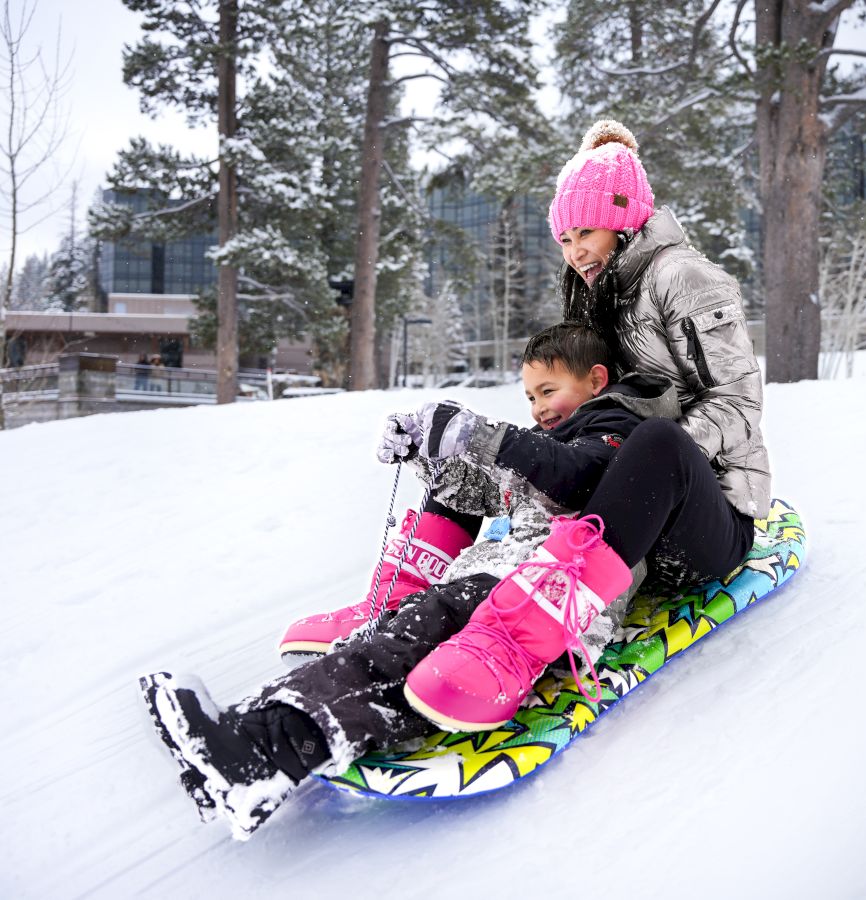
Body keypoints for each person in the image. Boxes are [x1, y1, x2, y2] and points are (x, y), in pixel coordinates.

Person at [141, 322, 680, 839]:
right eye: (530, 397)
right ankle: (246, 747)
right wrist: (430, 455)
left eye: (549, 389)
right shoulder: (552, 443)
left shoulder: (618, 436)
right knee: (392, 643)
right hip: (501, 582)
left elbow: (575, 472)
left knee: (399, 650)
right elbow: (483, 494)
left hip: (541, 598)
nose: (538, 407)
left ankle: (262, 751)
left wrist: (487, 437)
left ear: (596, 381)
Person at [399, 119, 771, 733]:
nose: (575, 251)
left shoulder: (687, 278)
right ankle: (410, 597)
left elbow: (738, 406)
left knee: (650, 442)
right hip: (622, 493)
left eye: (587, 232)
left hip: (702, 516)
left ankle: (535, 631)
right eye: (565, 237)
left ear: (625, 220)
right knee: (493, 454)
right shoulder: (593, 288)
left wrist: (633, 457)